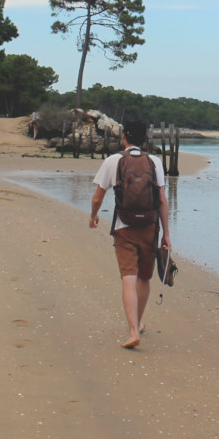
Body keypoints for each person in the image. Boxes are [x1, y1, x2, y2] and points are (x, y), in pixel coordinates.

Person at [89, 121, 171, 349]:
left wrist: (93, 216)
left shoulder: (113, 161)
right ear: (144, 139)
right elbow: (163, 201)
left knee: (128, 277)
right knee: (144, 278)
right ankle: (139, 321)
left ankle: (133, 329)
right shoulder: (154, 162)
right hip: (150, 227)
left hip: (123, 227)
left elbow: (98, 196)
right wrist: (166, 234)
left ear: (124, 137)